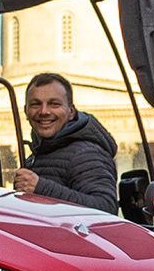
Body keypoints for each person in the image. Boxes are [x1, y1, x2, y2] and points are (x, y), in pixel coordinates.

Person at [19, 73, 120, 213]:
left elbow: (106, 208)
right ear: (26, 111)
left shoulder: (86, 154)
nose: (44, 111)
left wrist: (41, 188)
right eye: (36, 104)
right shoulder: (40, 152)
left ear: (71, 111)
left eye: (54, 104)